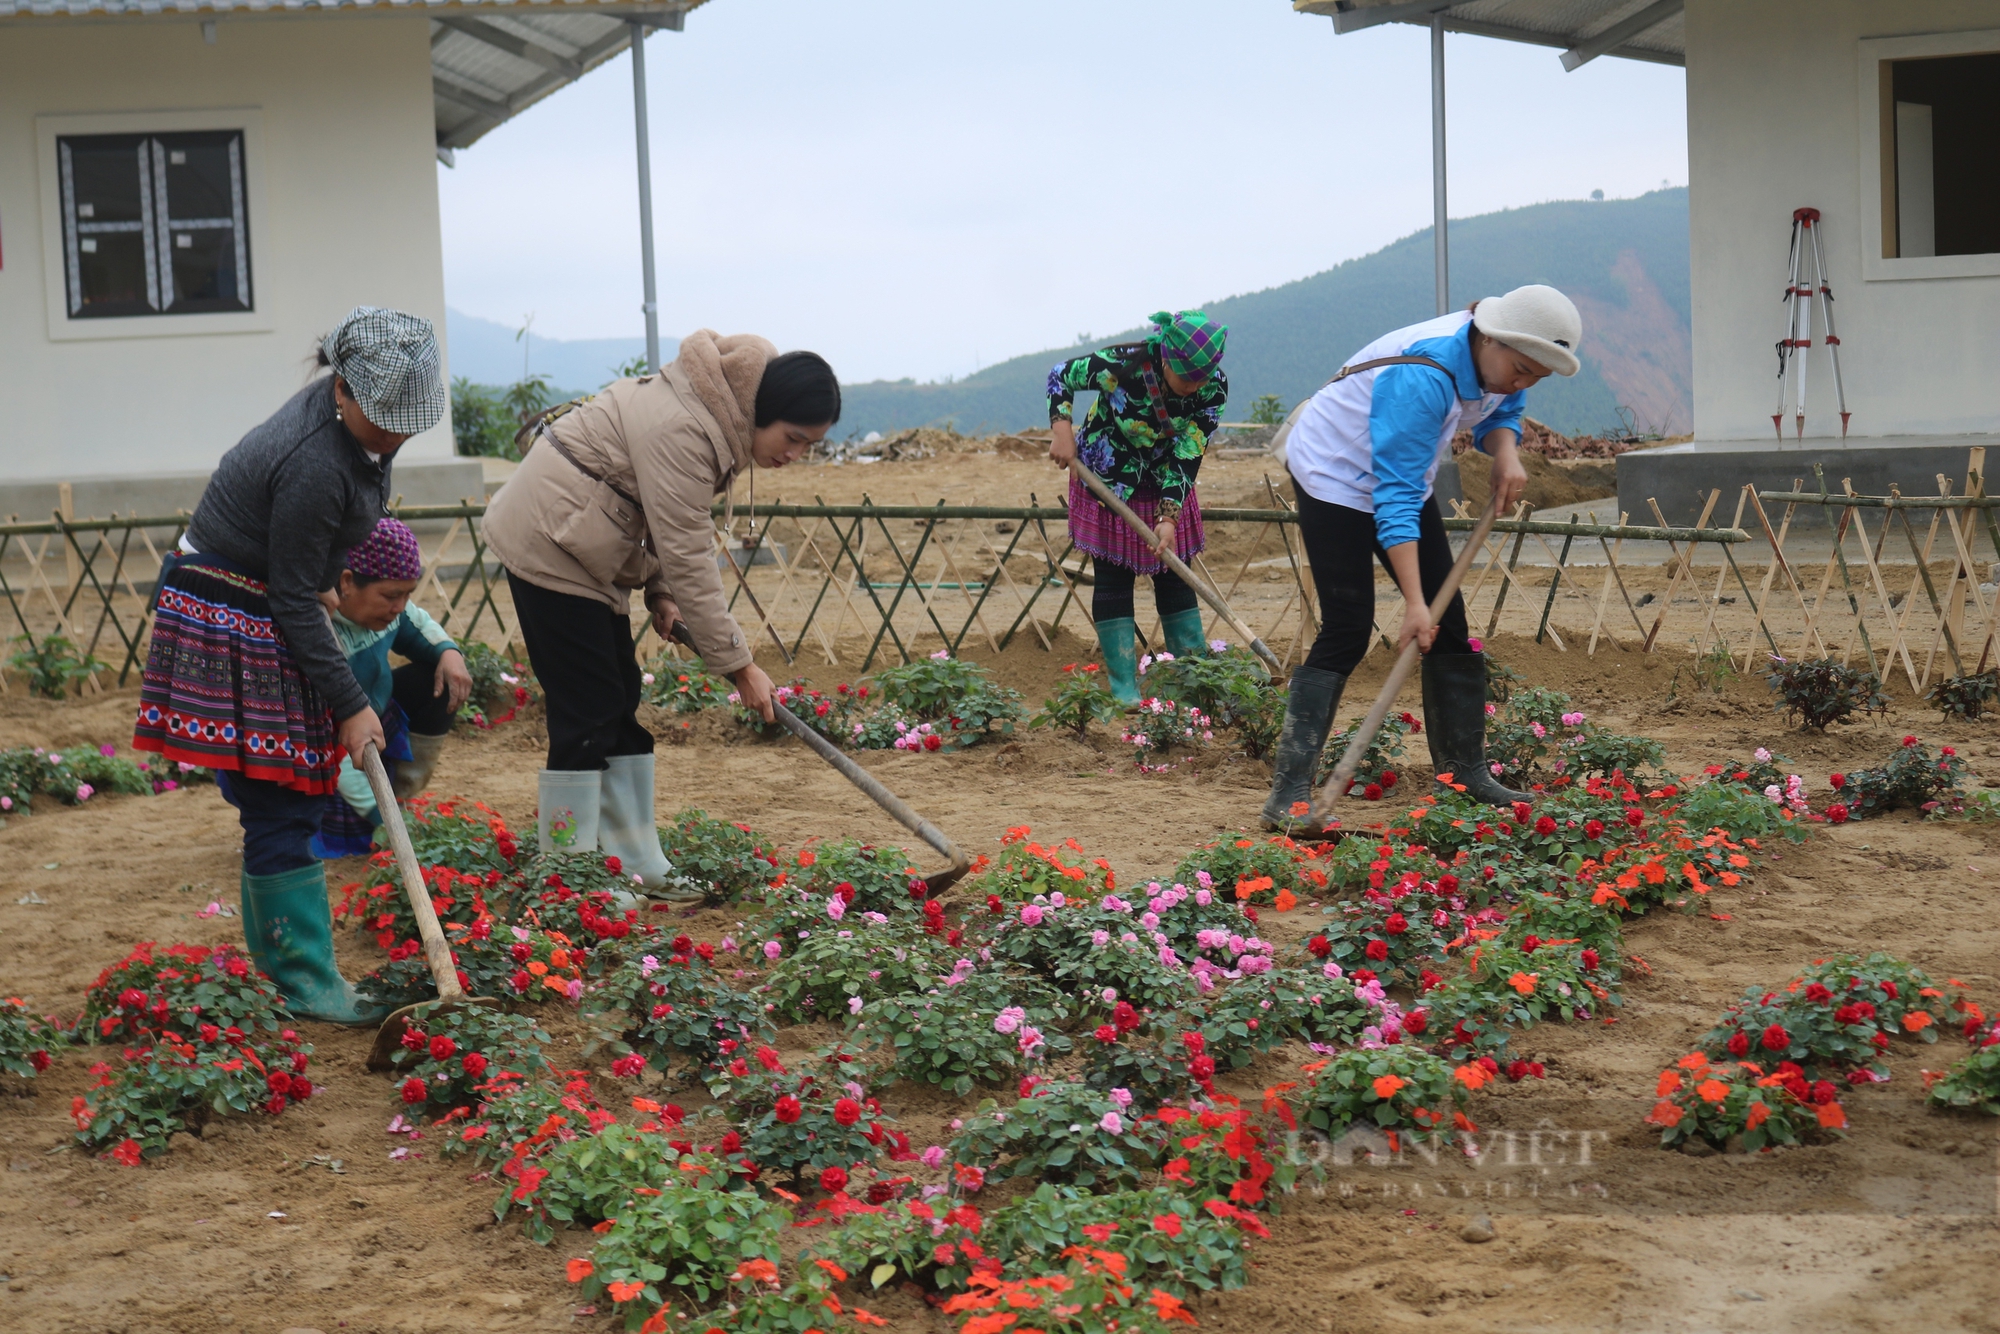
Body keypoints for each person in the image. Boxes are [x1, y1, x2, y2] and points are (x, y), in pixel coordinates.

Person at [134, 305, 446, 1024]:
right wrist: (350, 702)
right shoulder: (313, 460)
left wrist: (328, 580)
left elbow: (314, 566)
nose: (397, 431)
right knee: (278, 791)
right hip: (231, 610)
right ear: (342, 391)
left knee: (285, 793)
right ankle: (304, 980)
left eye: (409, 417)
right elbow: (293, 598)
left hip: (267, 599)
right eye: (385, 417)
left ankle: (287, 972)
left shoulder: (362, 430)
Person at [481, 332, 835, 895]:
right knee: (588, 708)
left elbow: (671, 518)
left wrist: (662, 595)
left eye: (808, 445)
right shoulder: (687, 428)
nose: (793, 455)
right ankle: (569, 872)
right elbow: (689, 550)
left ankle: (635, 858)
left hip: (585, 540)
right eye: (792, 438)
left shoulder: (715, 417)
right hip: (548, 539)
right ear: (762, 412)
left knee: (618, 694)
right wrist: (740, 666)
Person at [1260, 284, 1582, 826]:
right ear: (1491, 337)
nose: (1523, 381)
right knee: (1348, 625)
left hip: (1398, 477)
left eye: (1536, 375)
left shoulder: (1500, 361)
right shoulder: (1425, 374)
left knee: (1448, 620)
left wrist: (1505, 453)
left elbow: (1505, 407)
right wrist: (1413, 602)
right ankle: (1288, 795)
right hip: (1334, 472)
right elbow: (1396, 498)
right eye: (1522, 367)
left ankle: (1464, 773)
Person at [1047, 311, 1229, 704]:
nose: (1194, 386)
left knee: (1174, 575)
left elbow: (1189, 451)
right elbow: (1061, 375)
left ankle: (1196, 685)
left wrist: (1168, 517)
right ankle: (1124, 691)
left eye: (1201, 378)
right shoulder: (1123, 367)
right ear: (1166, 360)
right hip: (1109, 479)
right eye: (1187, 378)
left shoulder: (1212, 389)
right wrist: (1062, 429)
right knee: (1113, 579)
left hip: (1166, 482)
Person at [308, 518, 474, 859]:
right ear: (347, 582)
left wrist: (449, 652)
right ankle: (385, 810)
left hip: (370, 725)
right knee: (346, 834)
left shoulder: (390, 610)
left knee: (436, 680)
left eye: (407, 594)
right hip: (323, 753)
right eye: (391, 596)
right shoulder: (316, 633)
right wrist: (389, 821)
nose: (399, 606)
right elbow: (339, 756)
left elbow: (417, 623)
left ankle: (400, 794)